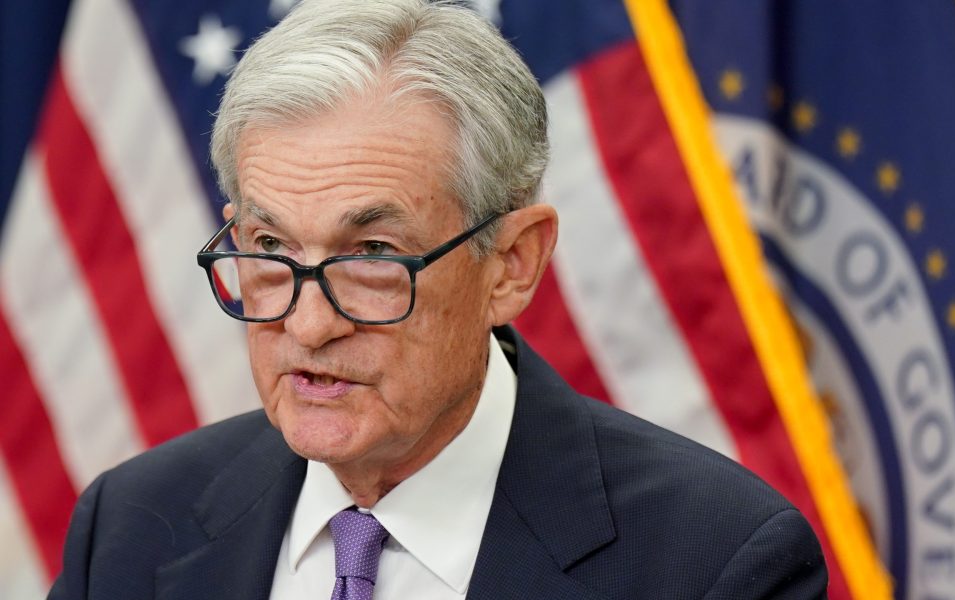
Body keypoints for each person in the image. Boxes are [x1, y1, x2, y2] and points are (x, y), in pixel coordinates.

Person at [48, 1, 828, 598]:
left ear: (512, 265)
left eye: (373, 256)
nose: (309, 325)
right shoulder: (129, 529)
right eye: (272, 248)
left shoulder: (715, 563)